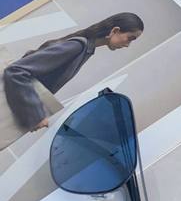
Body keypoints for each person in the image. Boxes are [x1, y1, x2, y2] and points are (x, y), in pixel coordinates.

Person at [3, 13, 144, 133]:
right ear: (115, 31)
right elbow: (16, 70)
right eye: (130, 38)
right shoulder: (77, 47)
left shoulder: (84, 49)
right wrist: (35, 115)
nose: (128, 45)